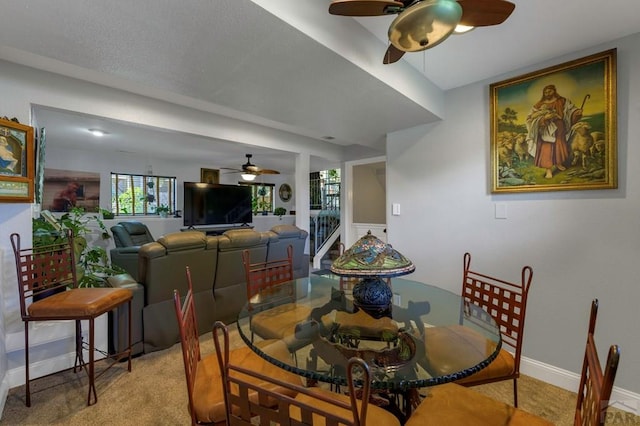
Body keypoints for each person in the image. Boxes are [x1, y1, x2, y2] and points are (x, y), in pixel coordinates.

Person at [526, 85, 583, 179]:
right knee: (546, 149)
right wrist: (543, 118)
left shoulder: (562, 101)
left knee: (559, 147)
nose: (547, 94)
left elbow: (571, 110)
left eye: (549, 91)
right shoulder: (538, 105)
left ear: (554, 91)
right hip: (545, 130)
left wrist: (576, 112)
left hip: (559, 129)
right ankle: (548, 170)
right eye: (546, 92)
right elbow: (530, 117)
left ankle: (558, 163)